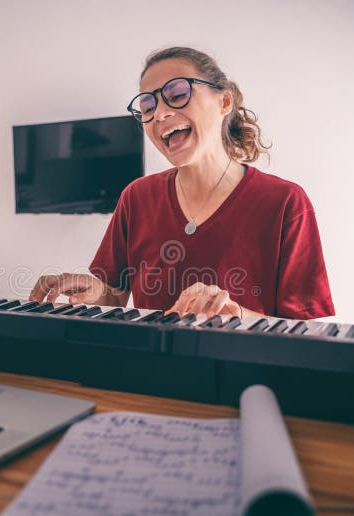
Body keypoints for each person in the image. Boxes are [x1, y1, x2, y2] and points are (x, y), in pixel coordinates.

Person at [30, 46, 334, 320]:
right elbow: (115, 297)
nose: (159, 113)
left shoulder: (284, 202)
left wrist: (237, 314)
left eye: (177, 94)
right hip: (150, 374)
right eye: (147, 107)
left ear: (224, 101)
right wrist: (92, 292)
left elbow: (304, 330)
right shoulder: (136, 197)